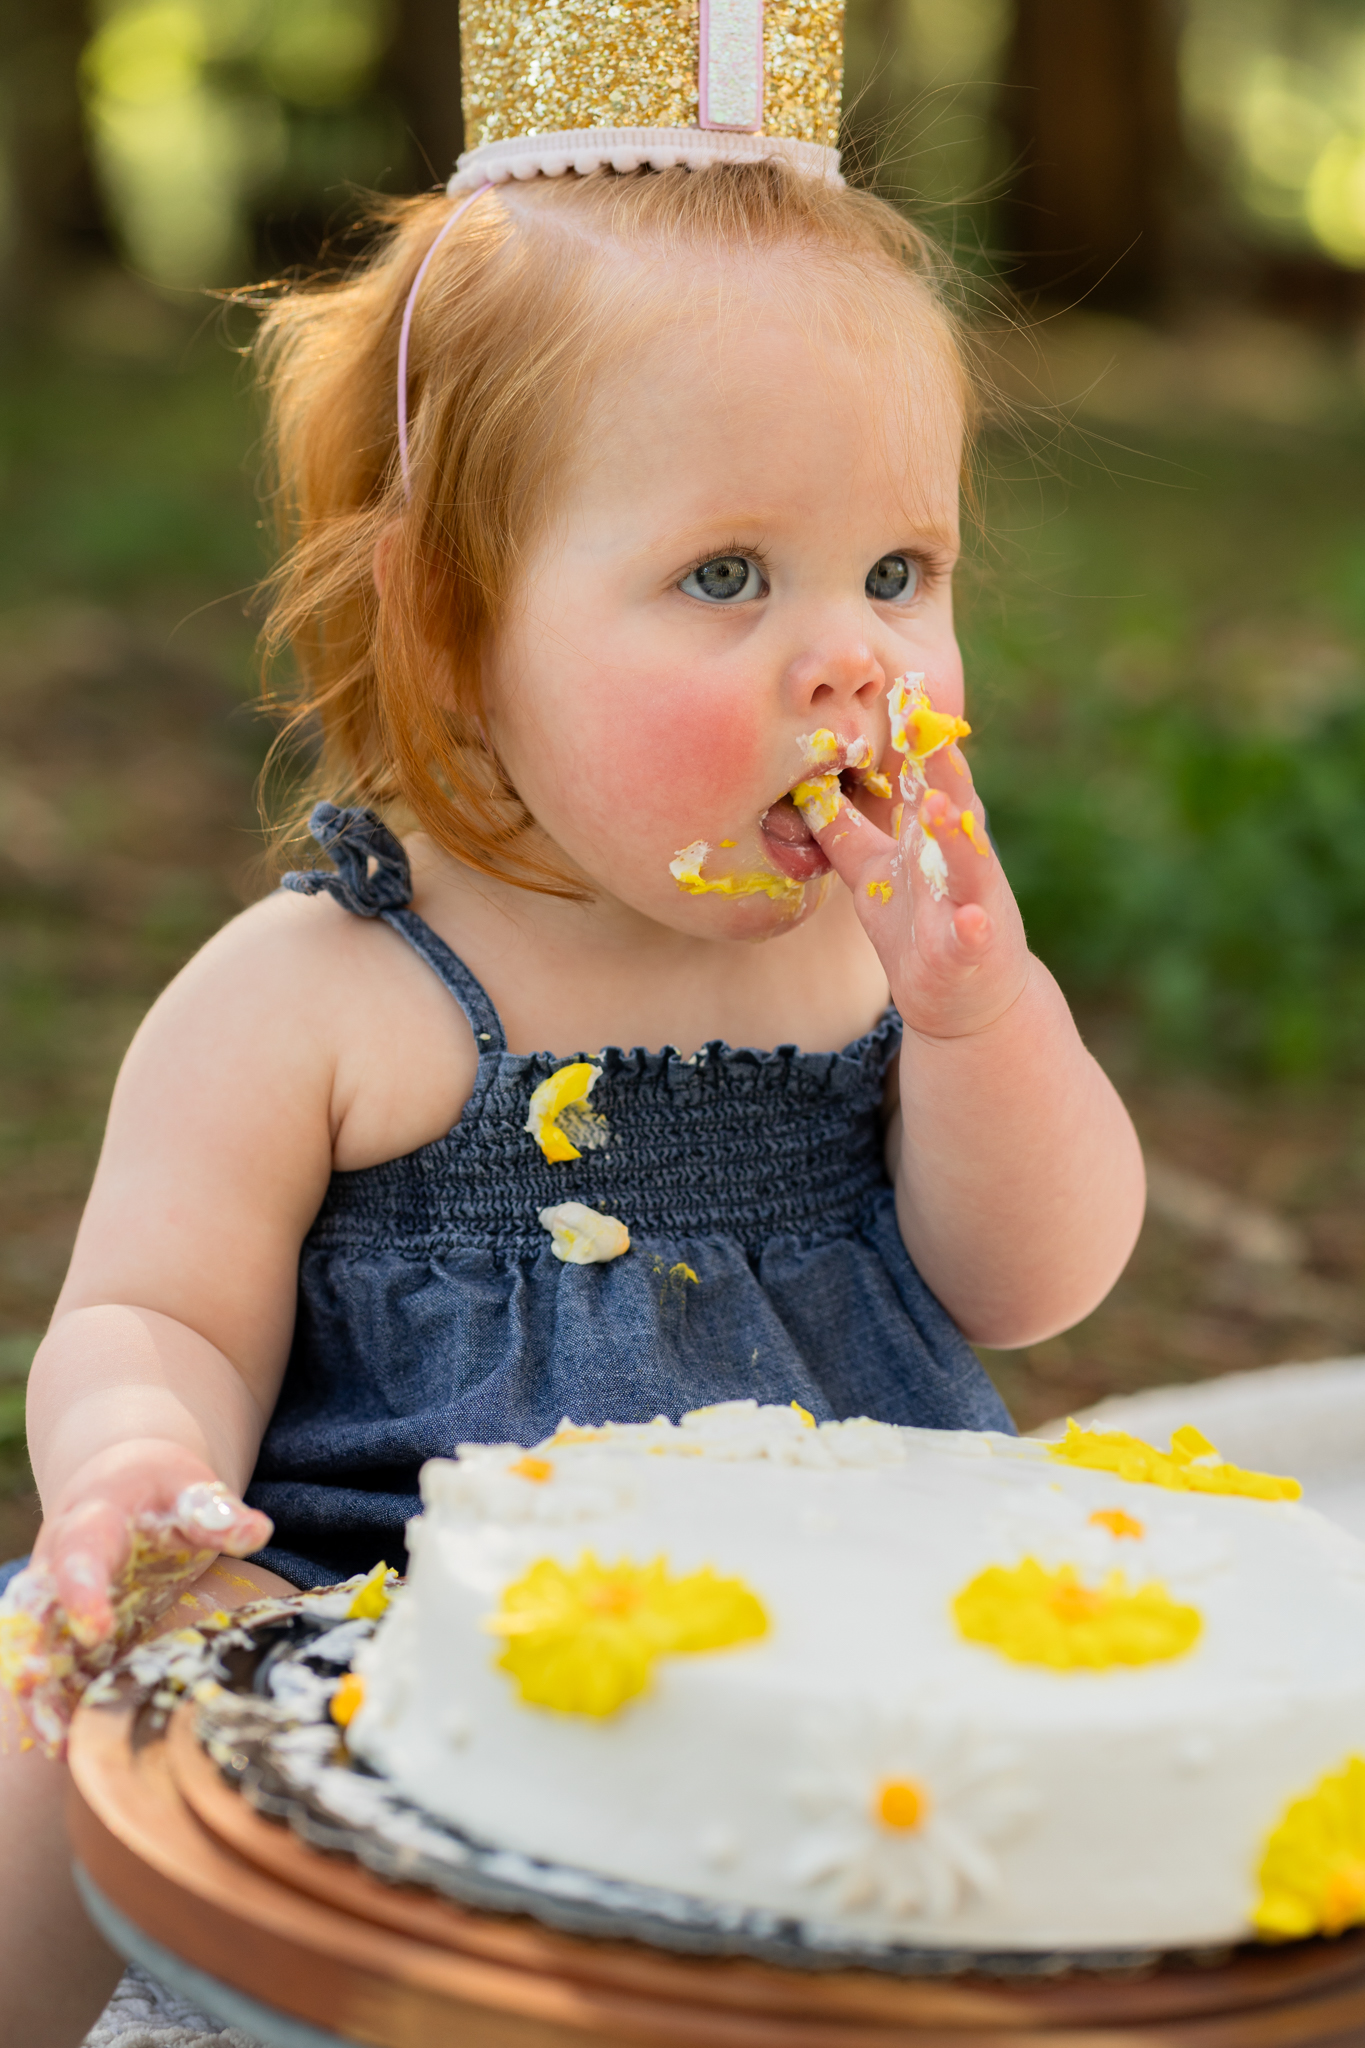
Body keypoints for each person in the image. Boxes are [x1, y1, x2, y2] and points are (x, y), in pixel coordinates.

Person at [0, 142, 1146, 2048]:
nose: (856, 654)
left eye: (898, 569)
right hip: (371, 1638)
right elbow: (153, 1309)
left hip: (832, 1644)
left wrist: (979, 1017)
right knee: (60, 1703)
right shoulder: (325, 993)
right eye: (724, 574)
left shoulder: (878, 958)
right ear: (451, 629)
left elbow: (1035, 1281)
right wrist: (135, 1459)